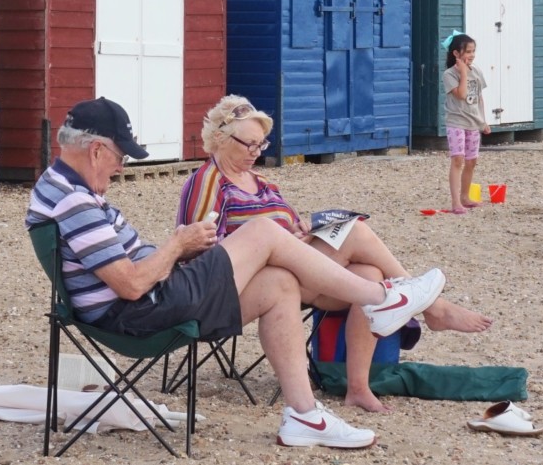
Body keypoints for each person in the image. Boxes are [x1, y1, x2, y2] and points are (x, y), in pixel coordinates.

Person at [26, 96, 449, 449]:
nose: (121, 167)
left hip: (150, 301)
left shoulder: (58, 187)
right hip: (144, 309)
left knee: (280, 283)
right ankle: (382, 300)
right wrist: (178, 244)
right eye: (120, 157)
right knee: (263, 232)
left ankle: (305, 416)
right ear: (96, 150)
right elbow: (131, 284)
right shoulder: (75, 201)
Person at [177, 94, 494, 413]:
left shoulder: (262, 183)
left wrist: (302, 230)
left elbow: (286, 228)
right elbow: (201, 258)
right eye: (250, 144)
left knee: (369, 273)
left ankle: (357, 387)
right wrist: (270, 245)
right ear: (221, 139)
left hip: (296, 272)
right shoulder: (207, 182)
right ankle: (432, 306)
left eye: (262, 144)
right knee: (355, 233)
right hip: (250, 285)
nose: (256, 152)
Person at [442, 32, 491, 214]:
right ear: (456, 53)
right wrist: (463, 72)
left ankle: (465, 196)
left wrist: (483, 121)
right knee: (458, 159)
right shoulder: (449, 74)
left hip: (473, 123)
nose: (472, 55)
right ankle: (456, 202)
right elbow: (462, 94)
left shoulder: (476, 71)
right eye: (468, 51)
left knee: (471, 161)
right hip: (456, 122)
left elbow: (479, 98)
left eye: (473, 51)